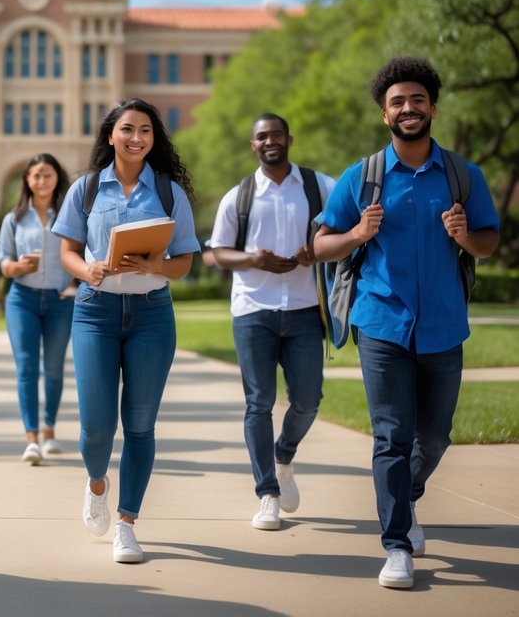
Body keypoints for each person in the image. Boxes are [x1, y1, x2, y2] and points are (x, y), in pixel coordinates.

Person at [313, 57, 499, 589]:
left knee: (434, 439)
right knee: (391, 437)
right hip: (381, 324)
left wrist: (465, 237)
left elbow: (489, 240)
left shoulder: (464, 176)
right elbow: (320, 244)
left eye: (417, 100)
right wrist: (355, 235)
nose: (408, 108)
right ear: (384, 114)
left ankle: (407, 497)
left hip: (443, 326)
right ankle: (396, 544)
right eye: (397, 101)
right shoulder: (362, 177)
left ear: (433, 108)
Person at [53, 97, 200, 564]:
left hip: (153, 314)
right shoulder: (87, 189)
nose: (136, 138)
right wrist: (88, 270)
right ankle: (97, 482)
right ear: (111, 135)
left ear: (154, 140)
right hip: (95, 312)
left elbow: (185, 261)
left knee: (139, 425)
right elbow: (68, 253)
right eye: (128, 129)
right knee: (97, 426)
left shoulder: (169, 191)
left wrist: (160, 263)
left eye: (146, 131)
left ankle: (127, 523)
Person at [209, 113, 334, 530]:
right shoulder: (239, 197)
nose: (269, 141)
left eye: (276, 134)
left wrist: (318, 250)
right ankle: (267, 494)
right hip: (252, 311)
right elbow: (216, 252)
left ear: (289, 139)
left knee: (308, 400)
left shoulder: (320, 188)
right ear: (253, 145)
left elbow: (348, 231)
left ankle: (284, 455)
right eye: (261, 136)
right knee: (258, 403)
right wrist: (253, 259)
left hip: (302, 310)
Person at [0, 153, 74, 464]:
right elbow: (2, 261)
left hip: (60, 300)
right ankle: (31, 438)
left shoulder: (70, 217)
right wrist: (14, 267)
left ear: (57, 179)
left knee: (54, 369)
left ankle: (50, 430)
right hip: (22, 299)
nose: (42, 181)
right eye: (36, 175)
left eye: (48, 175)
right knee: (27, 368)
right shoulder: (13, 219)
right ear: (26, 180)